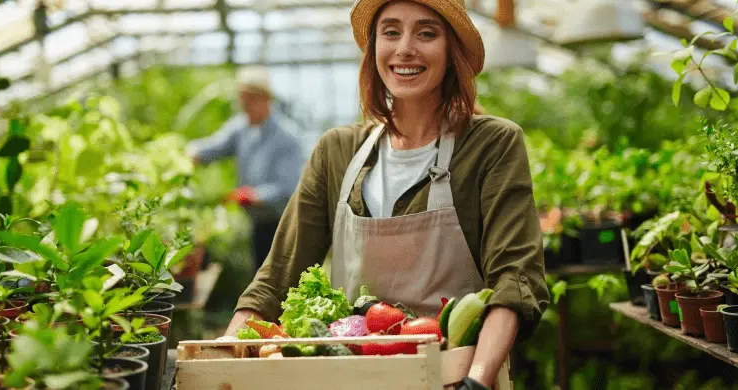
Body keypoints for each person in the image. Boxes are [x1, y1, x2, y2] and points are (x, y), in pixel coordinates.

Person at [221, 0, 550, 388]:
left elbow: (515, 277)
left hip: (453, 374)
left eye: (426, 33)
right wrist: (223, 355)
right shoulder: (337, 151)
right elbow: (277, 277)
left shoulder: (490, 145)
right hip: (349, 377)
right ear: (374, 47)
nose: (404, 48)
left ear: (451, 50)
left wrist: (476, 380)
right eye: (390, 32)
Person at [185, 66, 304, 273]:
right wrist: (188, 153)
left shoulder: (287, 137)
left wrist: (252, 195)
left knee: (281, 277)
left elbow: (288, 186)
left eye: (249, 101)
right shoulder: (241, 129)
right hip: (258, 221)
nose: (244, 107)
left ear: (265, 99)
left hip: (283, 224)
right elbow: (214, 147)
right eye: (242, 100)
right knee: (260, 273)